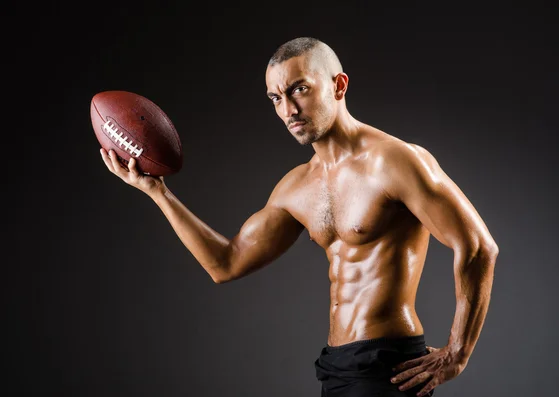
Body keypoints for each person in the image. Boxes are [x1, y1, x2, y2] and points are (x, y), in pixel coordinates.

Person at [99, 37, 499, 397]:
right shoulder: (296, 187)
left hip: (388, 368)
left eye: (299, 90)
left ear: (339, 86)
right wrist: (159, 193)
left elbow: (478, 246)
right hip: (335, 368)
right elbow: (225, 263)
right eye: (275, 98)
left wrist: (456, 353)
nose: (288, 109)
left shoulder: (394, 161)